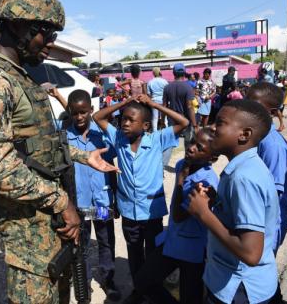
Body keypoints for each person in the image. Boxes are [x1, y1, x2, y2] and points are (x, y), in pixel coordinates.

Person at [0, 0, 119, 304]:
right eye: (44, 33)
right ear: (15, 26)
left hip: (52, 224)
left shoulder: (22, 76)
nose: (50, 44)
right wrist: (62, 203)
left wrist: (83, 156)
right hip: (29, 229)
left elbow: (37, 145)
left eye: (54, 36)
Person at [93, 94, 189, 304]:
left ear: (145, 125)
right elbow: (98, 117)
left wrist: (154, 105)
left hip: (152, 211)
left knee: (153, 254)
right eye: (123, 118)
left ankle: (152, 289)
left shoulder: (156, 139)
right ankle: (139, 290)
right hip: (129, 211)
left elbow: (184, 122)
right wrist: (125, 103)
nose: (125, 123)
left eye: (131, 119)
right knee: (134, 252)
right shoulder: (118, 137)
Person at [186, 99, 280, 304]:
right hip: (232, 283)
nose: (211, 127)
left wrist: (204, 214)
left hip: (239, 291)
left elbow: (251, 253)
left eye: (219, 123)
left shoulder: (243, 178)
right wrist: (215, 203)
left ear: (244, 135)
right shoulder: (243, 168)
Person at [133, 128, 219, 304]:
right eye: (193, 141)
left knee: (191, 296)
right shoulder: (182, 164)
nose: (191, 148)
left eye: (199, 148)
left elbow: (180, 215)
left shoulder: (206, 182)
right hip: (173, 240)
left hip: (193, 248)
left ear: (212, 158)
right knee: (143, 280)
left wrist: (181, 179)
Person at [57, 89, 122, 301]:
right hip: (79, 206)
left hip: (102, 203)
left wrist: (117, 201)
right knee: (81, 247)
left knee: (105, 242)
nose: (79, 117)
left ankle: (108, 279)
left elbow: (111, 167)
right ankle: (83, 285)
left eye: (83, 112)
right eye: (75, 113)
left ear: (91, 110)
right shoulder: (65, 137)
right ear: (70, 113)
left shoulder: (102, 135)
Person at [246, 82, 287, 303]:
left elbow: (272, 195)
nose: (244, 107)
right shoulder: (256, 136)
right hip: (255, 220)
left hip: (266, 225)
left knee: (259, 274)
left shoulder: (272, 144)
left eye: (252, 104)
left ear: (271, 112)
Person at [162, 63, 199, 166]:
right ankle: (187, 166)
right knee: (188, 143)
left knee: (169, 144)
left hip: (172, 120)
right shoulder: (188, 87)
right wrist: (195, 125)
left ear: (173, 73)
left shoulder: (167, 87)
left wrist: (162, 121)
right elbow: (189, 107)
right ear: (184, 73)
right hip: (185, 120)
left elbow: (164, 106)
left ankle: (162, 167)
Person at [147, 67, 169, 131]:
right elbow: (167, 91)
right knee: (164, 118)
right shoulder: (164, 81)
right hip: (163, 100)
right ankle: (166, 131)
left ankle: (155, 133)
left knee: (155, 118)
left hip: (154, 101)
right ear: (160, 72)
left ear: (153, 73)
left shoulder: (150, 82)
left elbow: (148, 93)